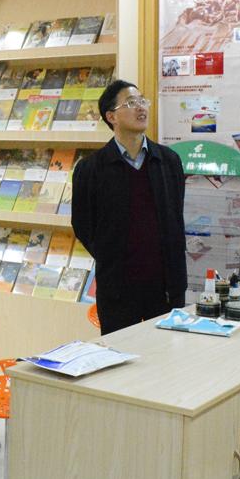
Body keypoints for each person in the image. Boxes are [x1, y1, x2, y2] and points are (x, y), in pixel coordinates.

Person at [71, 79, 187, 335]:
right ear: (111, 116)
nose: (141, 107)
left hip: (166, 287)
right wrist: (112, 256)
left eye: (142, 101)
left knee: (168, 353)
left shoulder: (169, 161)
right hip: (118, 290)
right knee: (121, 355)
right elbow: (82, 225)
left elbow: (175, 216)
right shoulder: (91, 169)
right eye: (131, 103)